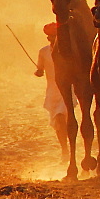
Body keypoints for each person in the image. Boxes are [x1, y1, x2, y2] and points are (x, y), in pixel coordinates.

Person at [35, 23, 70, 159]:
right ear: (48, 38)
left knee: (61, 117)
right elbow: (40, 69)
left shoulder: (67, 50)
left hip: (67, 89)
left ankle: (68, 148)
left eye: (55, 36)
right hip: (52, 91)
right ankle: (64, 149)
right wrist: (38, 72)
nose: (53, 39)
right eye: (51, 37)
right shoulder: (43, 52)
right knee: (57, 123)